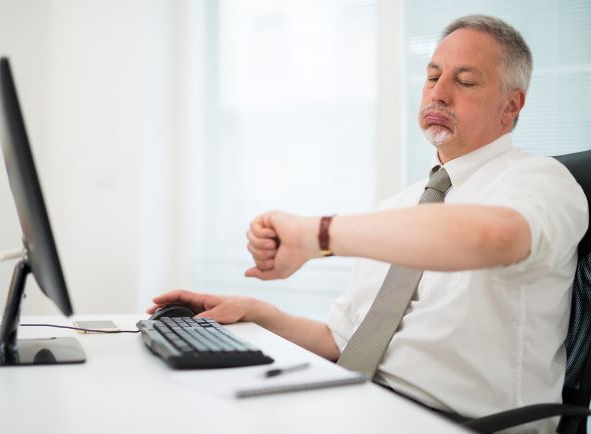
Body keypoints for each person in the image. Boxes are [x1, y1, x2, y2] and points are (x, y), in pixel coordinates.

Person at [148, 15, 588, 433]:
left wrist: (316, 235)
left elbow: (496, 236)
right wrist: (260, 313)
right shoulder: (400, 207)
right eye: (433, 76)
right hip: (360, 402)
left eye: (465, 81)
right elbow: (343, 342)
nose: (438, 93)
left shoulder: (539, 181)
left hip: (460, 422)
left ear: (512, 105)